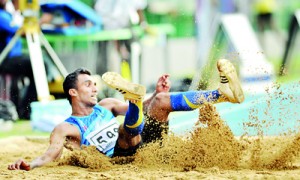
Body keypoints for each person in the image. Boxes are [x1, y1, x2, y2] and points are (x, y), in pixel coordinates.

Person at [8, 58, 244, 171]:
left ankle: (222, 93)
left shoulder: (107, 105)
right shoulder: (66, 128)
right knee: (124, 132)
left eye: (94, 84)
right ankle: (134, 100)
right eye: (88, 85)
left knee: (160, 101)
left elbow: (149, 108)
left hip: (150, 146)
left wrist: (156, 95)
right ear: (73, 92)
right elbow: (51, 154)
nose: (94, 88)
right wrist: (29, 164)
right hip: (123, 156)